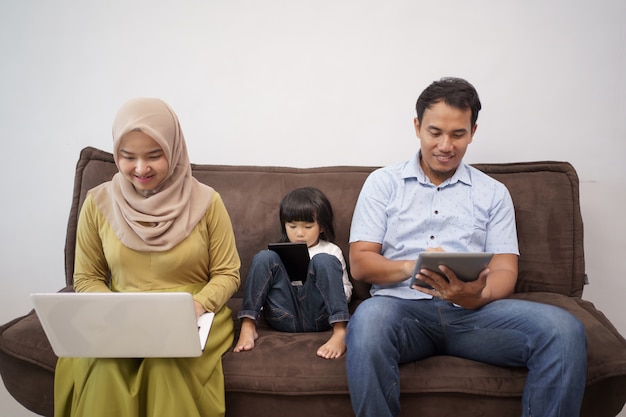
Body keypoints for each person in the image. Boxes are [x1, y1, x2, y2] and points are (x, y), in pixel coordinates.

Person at [346, 77, 587, 417]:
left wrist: (477, 295)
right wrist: (414, 267)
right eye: (435, 132)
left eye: (458, 134)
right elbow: (360, 262)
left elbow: (505, 270)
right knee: (368, 321)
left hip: (472, 314)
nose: (446, 145)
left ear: (473, 131)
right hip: (400, 312)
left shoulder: (493, 193)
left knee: (565, 330)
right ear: (417, 127)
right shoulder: (382, 184)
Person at [54, 98, 241, 417]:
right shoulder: (97, 203)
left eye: (154, 156)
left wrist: (194, 308)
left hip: (192, 313)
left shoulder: (208, 202)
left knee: (163, 366)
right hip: (118, 315)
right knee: (106, 367)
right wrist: (117, 311)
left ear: (173, 149)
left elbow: (227, 273)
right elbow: (86, 278)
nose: (140, 169)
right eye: (128, 157)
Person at [233, 186, 352, 359]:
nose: (299, 233)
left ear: (321, 227)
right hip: (282, 314)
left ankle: (340, 331)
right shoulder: (277, 255)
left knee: (323, 260)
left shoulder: (331, 251)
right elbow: (264, 288)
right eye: (292, 226)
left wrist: (324, 286)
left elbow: (346, 291)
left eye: (308, 226)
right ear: (284, 226)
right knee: (264, 257)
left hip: (319, 314)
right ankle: (248, 324)